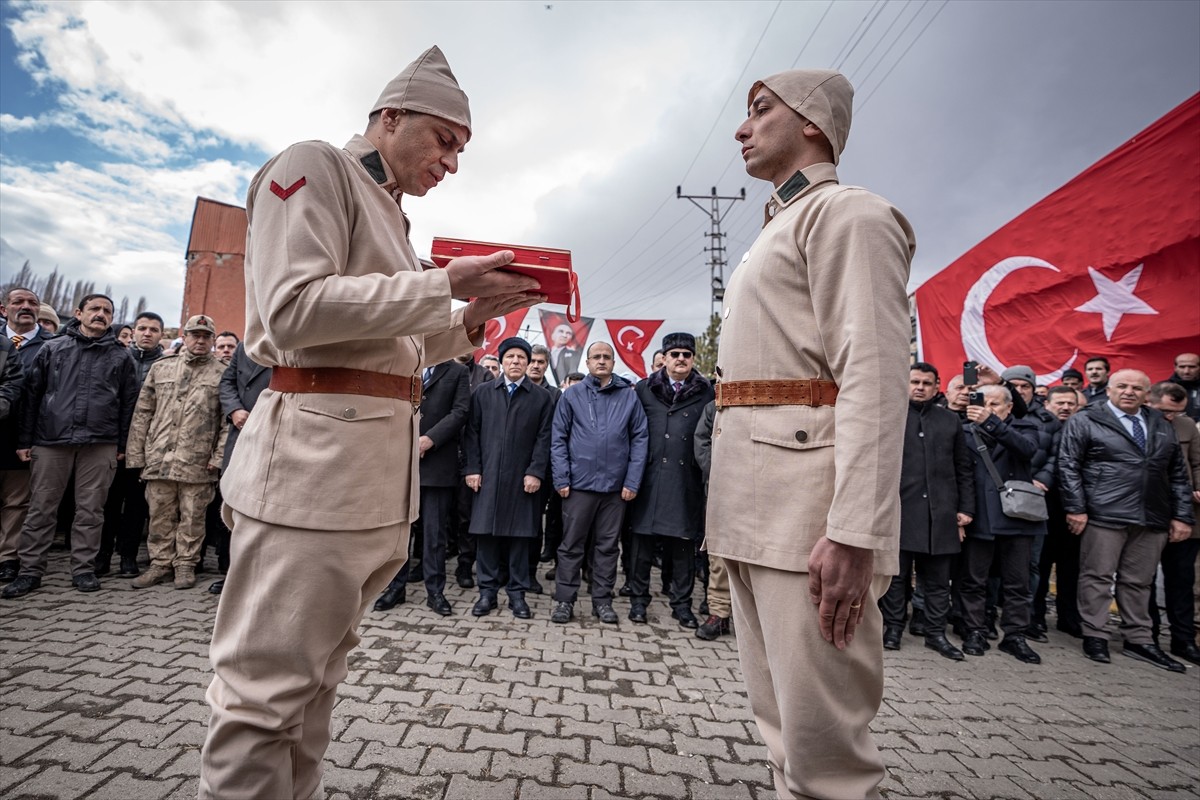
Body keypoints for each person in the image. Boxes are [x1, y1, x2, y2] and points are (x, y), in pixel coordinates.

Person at [197, 45, 542, 799]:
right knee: (262, 702)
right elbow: (291, 311)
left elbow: (392, 350)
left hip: (361, 487)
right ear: (390, 117)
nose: (452, 162)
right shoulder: (314, 165)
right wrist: (436, 282)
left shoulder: (390, 215)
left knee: (313, 694)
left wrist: (471, 318)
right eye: (444, 140)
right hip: (311, 476)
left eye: (461, 150)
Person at [706, 69, 915, 798]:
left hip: (810, 513)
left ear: (814, 127)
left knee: (827, 752)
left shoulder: (850, 215)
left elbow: (878, 377)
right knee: (783, 730)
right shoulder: (783, 226)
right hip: (757, 502)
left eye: (762, 111)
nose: (742, 127)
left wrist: (855, 528)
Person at [2, 294, 137, 599]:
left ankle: (83, 569)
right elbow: (32, 397)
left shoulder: (121, 355)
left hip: (100, 442)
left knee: (90, 510)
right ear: (78, 313)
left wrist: (123, 443)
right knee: (41, 508)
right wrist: (25, 441)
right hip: (51, 440)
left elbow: (130, 403)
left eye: (107, 311)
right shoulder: (53, 348)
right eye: (94, 309)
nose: (101, 314)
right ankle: (30, 571)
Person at [1058, 369, 1193, 673]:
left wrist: (1181, 515)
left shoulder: (1160, 423)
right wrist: (1076, 508)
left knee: (1139, 581)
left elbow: (1177, 474)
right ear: (1109, 389)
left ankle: (1139, 639)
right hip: (1104, 512)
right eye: (1122, 386)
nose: (1129, 391)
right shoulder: (1086, 419)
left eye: (1137, 387)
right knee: (1098, 576)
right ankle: (1095, 634)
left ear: (1148, 394)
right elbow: (1068, 466)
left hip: (1151, 514)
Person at [124, 315, 229, 590]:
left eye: (206, 336)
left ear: (212, 341)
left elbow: (226, 422)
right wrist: (137, 455)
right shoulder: (162, 368)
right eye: (195, 334)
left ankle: (185, 565)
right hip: (160, 457)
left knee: (192, 517)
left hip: (198, 461)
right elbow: (142, 413)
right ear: (186, 335)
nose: (200, 340)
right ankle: (160, 565)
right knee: (159, 515)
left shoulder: (222, 372)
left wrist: (218, 458)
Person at [550, 341, 648, 624]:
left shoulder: (628, 397)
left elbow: (640, 439)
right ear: (588, 363)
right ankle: (565, 601)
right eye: (597, 357)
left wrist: (632, 481)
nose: (602, 361)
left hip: (615, 489)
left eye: (607, 357)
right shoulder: (572, 395)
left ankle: (602, 601)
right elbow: (558, 439)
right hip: (578, 486)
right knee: (571, 546)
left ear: (613, 363)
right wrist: (562, 478)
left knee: (607, 547)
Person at [880, 363, 973, 661]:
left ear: (937, 386)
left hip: (941, 513)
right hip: (902, 510)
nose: (920, 387)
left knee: (936, 580)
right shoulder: (891, 417)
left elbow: (963, 468)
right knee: (896, 577)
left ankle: (935, 634)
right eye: (915, 381)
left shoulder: (949, 421)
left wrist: (965, 509)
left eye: (926, 383)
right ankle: (892, 628)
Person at [627, 332, 714, 628]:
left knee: (682, 548)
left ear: (693, 359)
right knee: (641, 546)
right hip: (649, 477)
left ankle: (682, 605)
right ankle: (638, 601)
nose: (680, 359)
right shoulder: (644, 389)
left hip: (685, 478)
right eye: (674, 354)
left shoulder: (706, 392)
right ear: (663, 358)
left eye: (686, 355)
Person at [463, 337, 553, 618]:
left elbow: (544, 438)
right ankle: (487, 593)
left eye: (521, 358)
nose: (516, 362)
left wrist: (535, 471)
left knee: (519, 539)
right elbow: (472, 433)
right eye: (511, 357)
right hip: (487, 475)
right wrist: (473, 469)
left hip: (522, 479)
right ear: (501, 361)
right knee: (486, 537)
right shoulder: (483, 392)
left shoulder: (541, 397)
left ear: (529, 363)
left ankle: (517, 594)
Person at [374, 356, 470, 613]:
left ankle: (435, 591)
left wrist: (430, 439)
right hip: (400, 462)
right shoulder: (403, 363)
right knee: (400, 533)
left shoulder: (457, 371)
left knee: (435, 534)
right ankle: (395, 588)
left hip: (437, 464)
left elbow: (460, 411)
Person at [959, 385, 1046, 664]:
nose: (988, 408)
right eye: (984, 404)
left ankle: (1015, 635)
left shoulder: (1025, 427)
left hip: (1017, 516)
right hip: (980, 514)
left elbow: (1027, 451)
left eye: (995, 404)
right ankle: (975, 629)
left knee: (1017, 583)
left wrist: (991, 421)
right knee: (974, 580)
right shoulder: (964, 430)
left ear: (1009, 407)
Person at [99, 310, 168, 578]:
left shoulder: (166, 364)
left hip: (148, 448)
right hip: (113, 444)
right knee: (108, 503)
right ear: (134, 332)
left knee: (137, 504)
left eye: (153, 329)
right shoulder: (116, 358)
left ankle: (128, 556)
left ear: (161, 335)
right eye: (142, 328)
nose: (147, 333)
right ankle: (102, 555)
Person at [208, 341, 272, 595]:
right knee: (234, 509)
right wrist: (234, 409)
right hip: (240, 435)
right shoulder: (246, 346)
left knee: (265, 514)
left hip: (274, 437)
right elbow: (227, 382)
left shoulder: (291, 340)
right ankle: (232, 574)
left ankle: (261, 577)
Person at [1146, 381, 1200, 665]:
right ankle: (1148, 635)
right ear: (1150, 401)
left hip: (1185, 514)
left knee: (1181, 581)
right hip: (1149, 511)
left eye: (1176, 412)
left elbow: (1197, 462)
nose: (1170, 417)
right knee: (1144, 580)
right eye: (1164, 410)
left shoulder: (1187, 426)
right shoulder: (1138, 423)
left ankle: (1183, 639)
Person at [0, 287, 51, 583]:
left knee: (17, 502)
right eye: (18, 302)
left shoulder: (52, 344)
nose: (26, 307)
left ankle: (9, 557)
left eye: (33, 303)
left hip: (25, 436)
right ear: (5, 309)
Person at [1032, 385, 1085, 638]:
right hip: (1044, 508)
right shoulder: (1040, 429)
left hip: (1075, 510)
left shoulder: (1083, 430)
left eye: (1070, 404)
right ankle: (1036, 616)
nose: (1065, 407)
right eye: (1059, 403)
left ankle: (1068, 617)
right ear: (1047, 405)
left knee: (1070, 568)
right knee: (1040, 567)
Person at [1166, 352, 1200, 422]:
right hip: (1171, 429)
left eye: (1192, 367)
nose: (1186, 371)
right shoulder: (1162, 388)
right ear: (1175, 368)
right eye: (1182, 367)